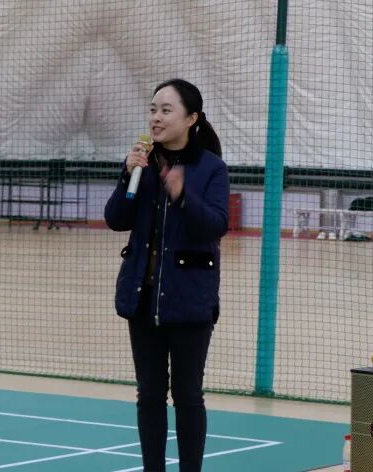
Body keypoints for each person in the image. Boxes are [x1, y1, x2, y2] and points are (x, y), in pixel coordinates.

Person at [104, 78, 229, 472]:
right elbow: (116, 219)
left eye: (166, 110)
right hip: (142, 297)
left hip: (189, 299)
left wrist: (182, 196)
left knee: (188, 396)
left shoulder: (211, 168)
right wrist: (127, 174)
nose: (156, 118)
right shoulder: (143, 162)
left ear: (191, 118)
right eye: (153, 109)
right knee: (149, 396)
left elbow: (216, 225)